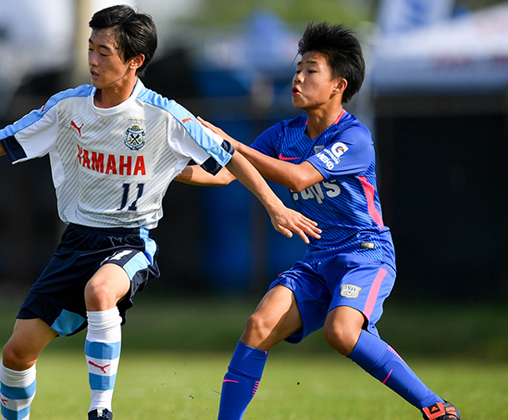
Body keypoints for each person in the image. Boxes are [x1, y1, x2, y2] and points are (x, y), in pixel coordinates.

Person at [0, 5, 321, 420]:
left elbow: (231, 160)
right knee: (16, 352)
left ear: (135, 61)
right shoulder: (67, 107)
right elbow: (3, 141)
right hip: (76, 241)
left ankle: (100, 409)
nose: (93, 60)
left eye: (104, 52)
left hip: (131, 240)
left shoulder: (164, 115)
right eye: (90, 48)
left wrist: (275, 205)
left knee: (100, 292)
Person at [176, 22, 461, 420]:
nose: (298, 78)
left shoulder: (355, 136)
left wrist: (232, 143)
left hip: (365, 254)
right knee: (259, 325)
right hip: (318, 260)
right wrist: (160, 171)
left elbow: (297, 177)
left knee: (340, 332)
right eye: (298, 69)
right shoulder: (284, 133)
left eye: (311, 70)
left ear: (337, 86)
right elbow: (226, 173)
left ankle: (436, 408)